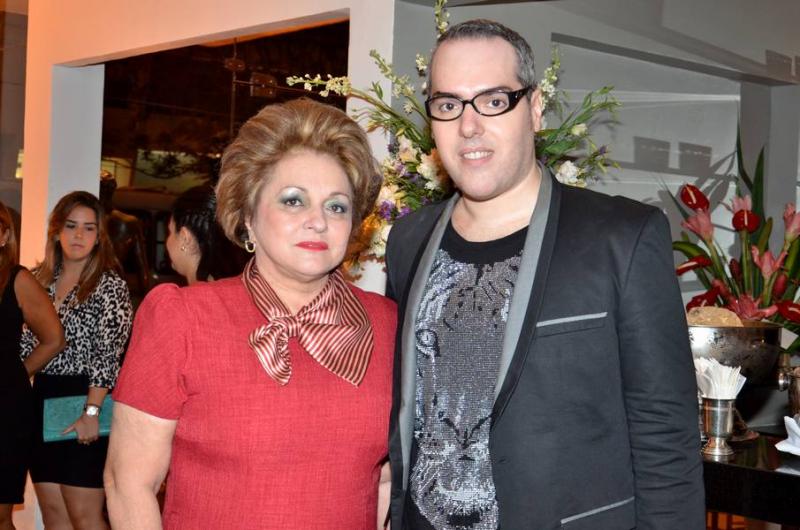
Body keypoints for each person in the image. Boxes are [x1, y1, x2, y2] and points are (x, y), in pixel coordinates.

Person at [385, 19, 705, 530]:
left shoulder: (621, 237)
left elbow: (666, 436)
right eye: (448, 105)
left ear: (534, 109)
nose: (468, 126)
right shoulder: (408, 240)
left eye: (493, 101)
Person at [105, 98, 395, 530]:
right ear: (248, 218)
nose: (318, 221)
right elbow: (129, 483)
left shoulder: (387, 324)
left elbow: (385, 480)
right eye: (293, 201)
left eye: (337, 206)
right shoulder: (182, 318)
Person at [20, 191, 133, 530]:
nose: (79, 235)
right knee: (53, 516)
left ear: (100, 236)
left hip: (87, 397)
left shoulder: (109, 285)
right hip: (41, 399)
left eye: (88, 228)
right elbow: (23, 347)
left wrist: (92, 412)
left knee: (85, 516)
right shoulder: (37, 281)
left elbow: (108, 353)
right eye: (71, 226)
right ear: (56, 231)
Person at [0, 202, 64, 530]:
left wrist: (14, 375)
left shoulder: (18, 279)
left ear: (4, 236)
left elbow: (54, 339)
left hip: (5, 412)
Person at [165, 184, 249, 284]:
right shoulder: (249, 289)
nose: (167, 241)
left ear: (185, 238)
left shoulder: (170, 294)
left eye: (170, 232)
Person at [100, 171, 151, 295]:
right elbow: (142, 268)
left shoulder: (128, 222)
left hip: (112, 288)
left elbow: (142, 268)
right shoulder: (128, 222)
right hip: (113, 287)